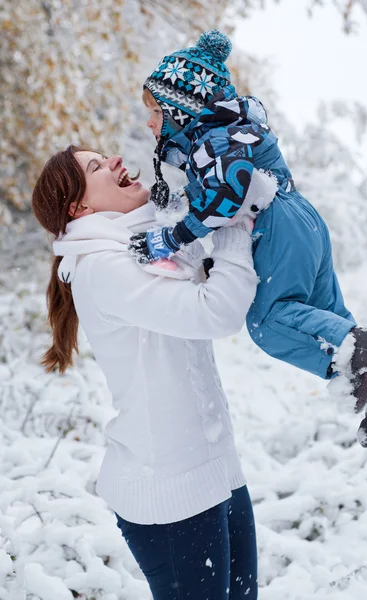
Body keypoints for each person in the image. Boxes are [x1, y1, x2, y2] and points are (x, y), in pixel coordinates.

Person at [128, 29, 367, 448]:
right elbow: (222, 184)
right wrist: (181, 197)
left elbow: (226, 194)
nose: (149, 123)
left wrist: (172, 238)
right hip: (302, 219)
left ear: (183, 111)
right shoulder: (225, 133)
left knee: (270, 323)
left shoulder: (214, 139)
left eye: (157, 113)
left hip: (276, 224)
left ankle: (361, 347)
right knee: (321, 318)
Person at [31, 144, 267, 599]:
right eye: (96, 167)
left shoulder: (148, 243)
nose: (116, 160)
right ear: (79, 207)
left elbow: (209, 271)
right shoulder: (102, 267)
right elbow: (216, 310)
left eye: (105, 155)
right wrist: (238, 220)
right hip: (168, 492)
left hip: (217, 468)